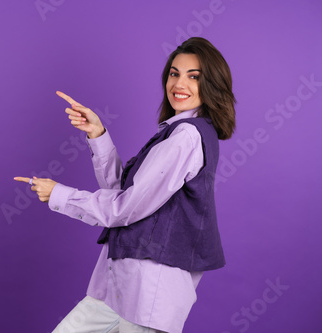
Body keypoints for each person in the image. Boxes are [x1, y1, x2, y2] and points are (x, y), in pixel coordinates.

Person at [14, 37, 236, 333]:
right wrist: (98, 134)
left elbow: (126, 208)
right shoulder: (173, 133)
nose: (179, 84)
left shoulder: (186, 137)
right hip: (117, 288)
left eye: (194, 76)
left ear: (212, 85)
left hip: (149, 296)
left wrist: (60, 195)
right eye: (174, 73)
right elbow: (124, 192)